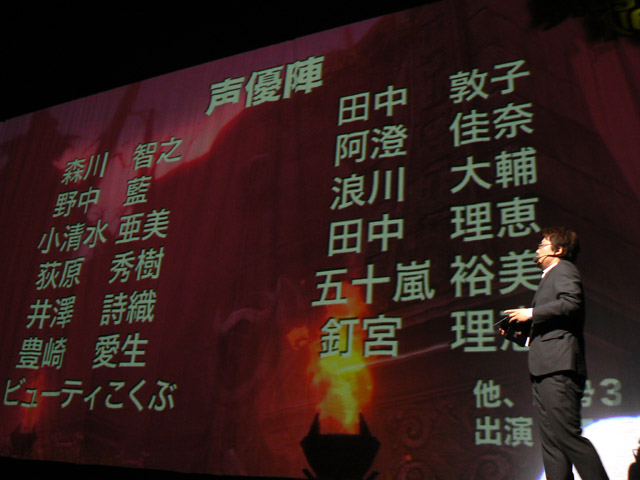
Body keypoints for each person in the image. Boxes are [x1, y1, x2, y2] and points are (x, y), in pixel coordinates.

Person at [504, 227, 608, 480]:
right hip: (546, 366)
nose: (537, 250)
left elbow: (571, 303)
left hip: (559, 367)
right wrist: (523, 336)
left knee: (565, 435)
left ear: (558, 250)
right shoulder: (551, 275)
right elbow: (555, 325)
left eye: (542, 245)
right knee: (551, 443)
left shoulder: (563, 270)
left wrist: (531, 313)